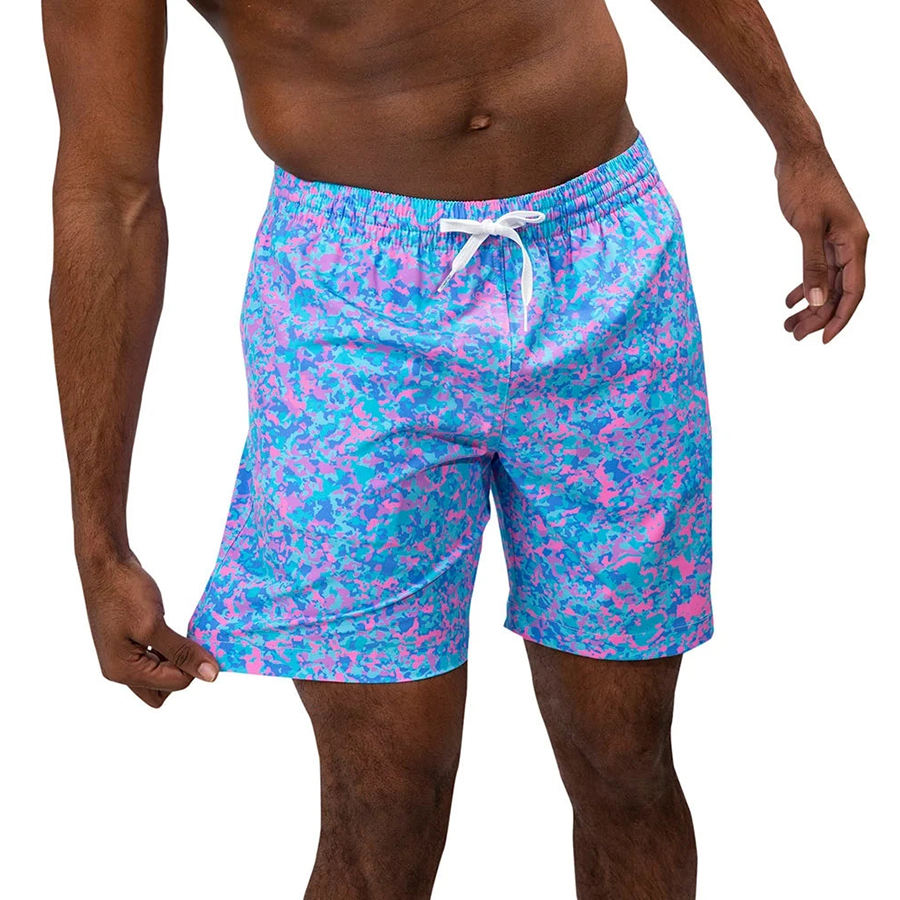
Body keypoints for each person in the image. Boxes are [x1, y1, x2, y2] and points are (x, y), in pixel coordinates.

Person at [42, 1, 867, 897]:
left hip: (607, 260)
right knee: (384, 803)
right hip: (353, 313)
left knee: (626, 758)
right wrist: (99, 543)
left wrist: (799, 140)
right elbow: (109, 195)